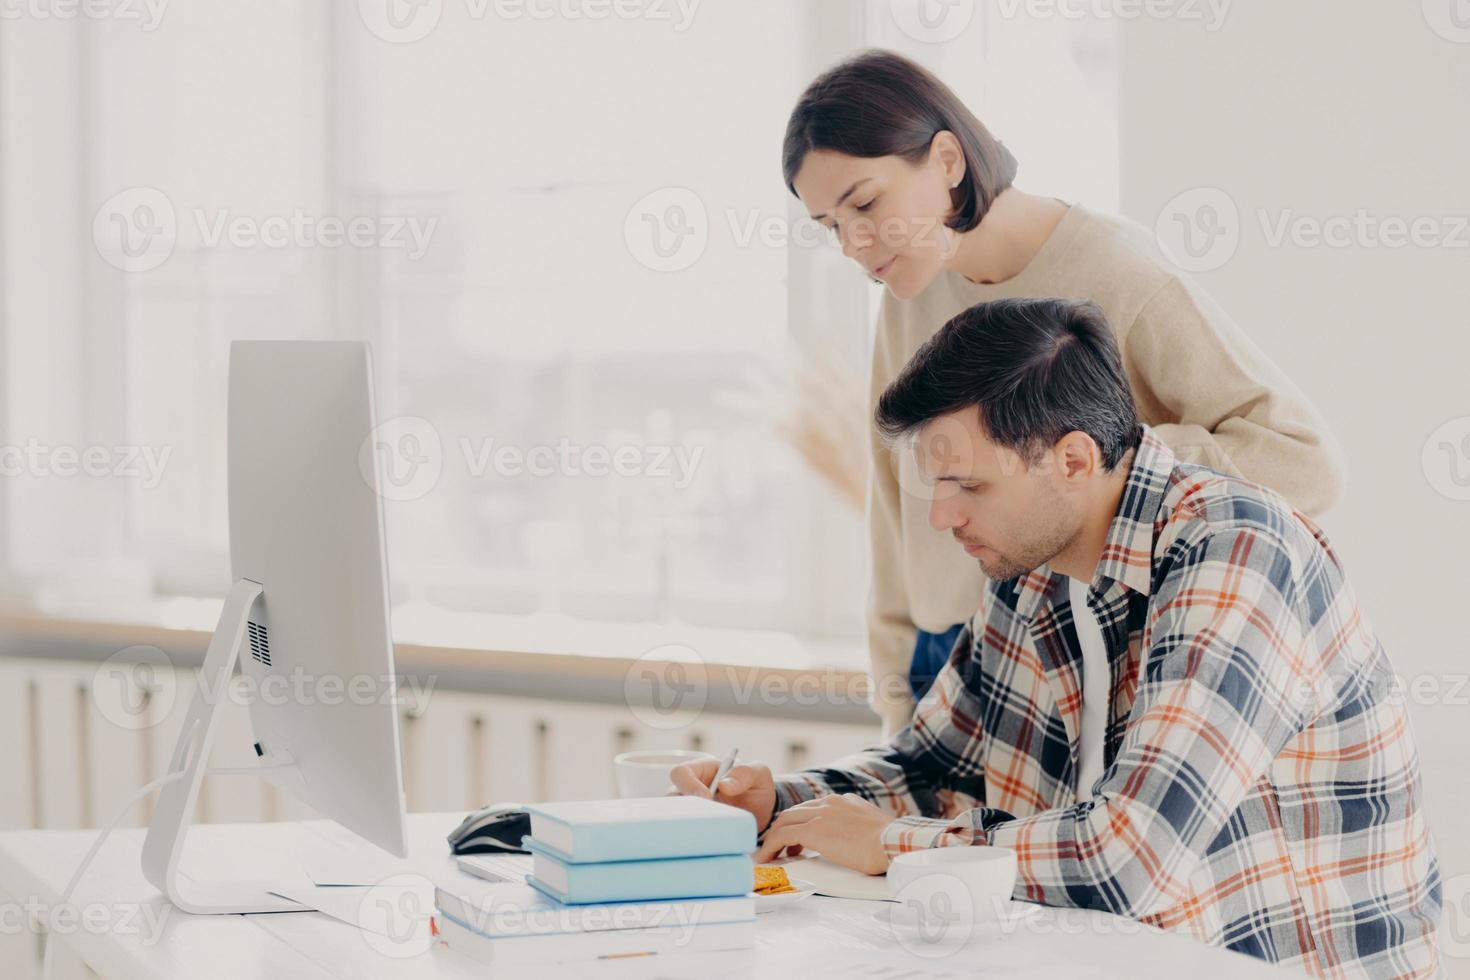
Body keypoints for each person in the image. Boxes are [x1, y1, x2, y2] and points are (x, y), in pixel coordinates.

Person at [672, 298, 1439, 978]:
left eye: (968, 485)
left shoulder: (1235, 550)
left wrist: (896, 845)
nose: (941, 518)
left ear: (1073, 460)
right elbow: (939, 765)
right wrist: (788, 802)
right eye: (934, 486)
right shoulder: (1030, 565)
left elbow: (1127, 859)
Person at [782, 50, 1346, 733]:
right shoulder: (909, 291)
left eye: (866, 204)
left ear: (948, 161)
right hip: (945, 664)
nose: (853, 244)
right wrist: (898, 705)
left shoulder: (1118, 271)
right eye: (831, 227)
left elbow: (1302, 458)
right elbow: (893, 504)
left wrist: (1086, 466)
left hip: (1076, 659)